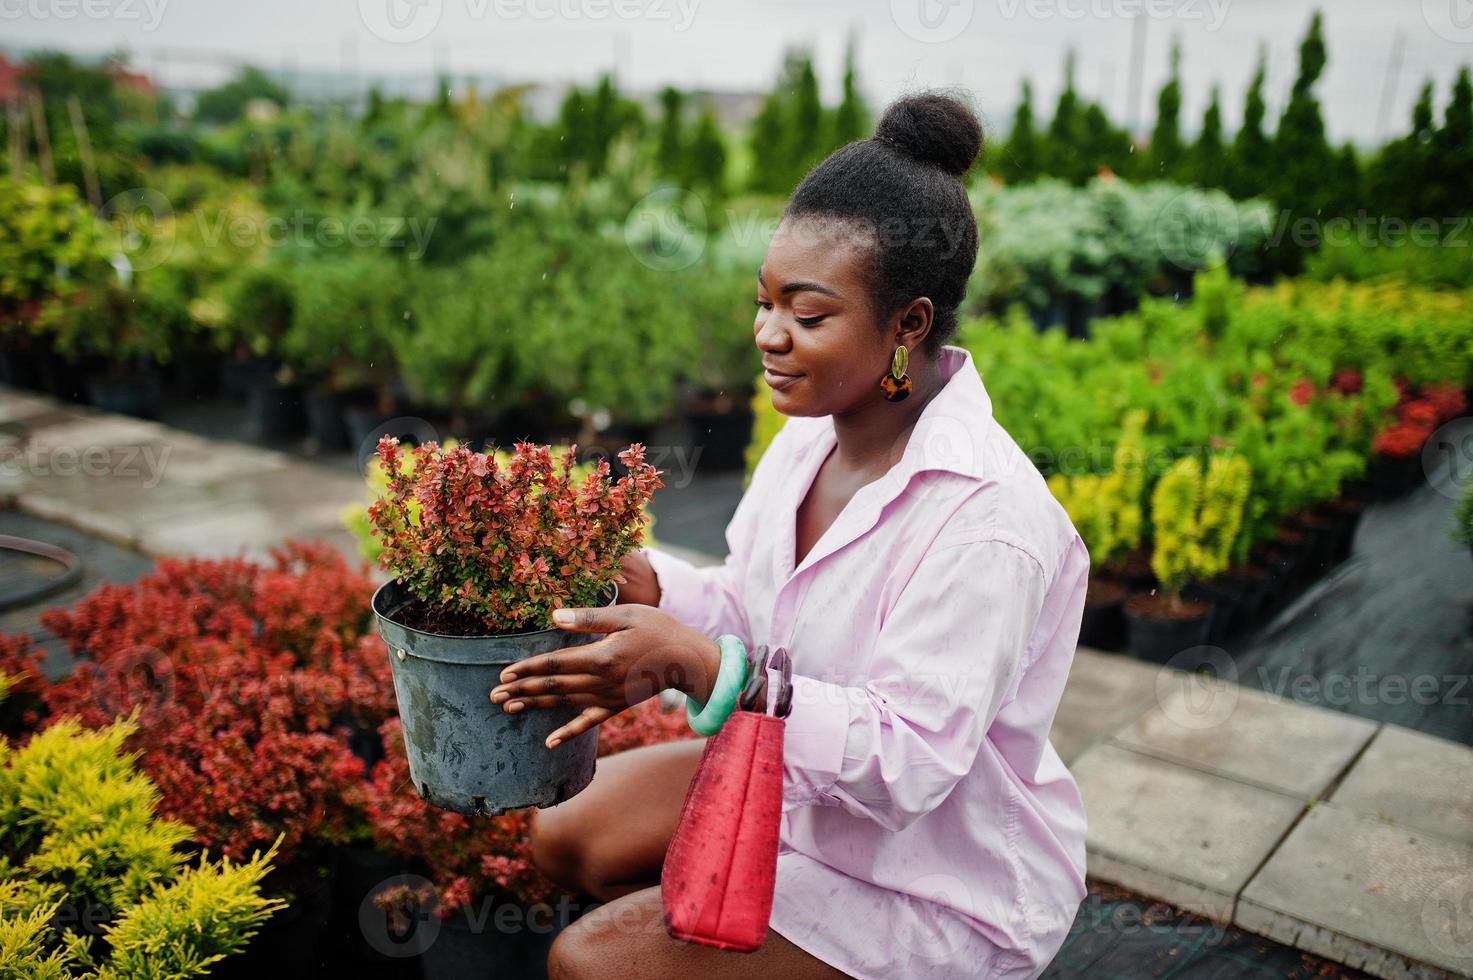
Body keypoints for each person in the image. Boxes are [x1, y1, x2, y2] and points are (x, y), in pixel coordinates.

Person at [488, 89, 1090, 979]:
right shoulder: (810, 439)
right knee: (566, 830)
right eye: (764, 301)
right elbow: (753, 604)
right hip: (795, 786)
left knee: (587, 962)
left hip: (931, 879)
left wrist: (697, 666)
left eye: (807, 316)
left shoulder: (988, 522)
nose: (768, 335)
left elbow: (905, 765)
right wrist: (649, 588)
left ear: (907, 324)